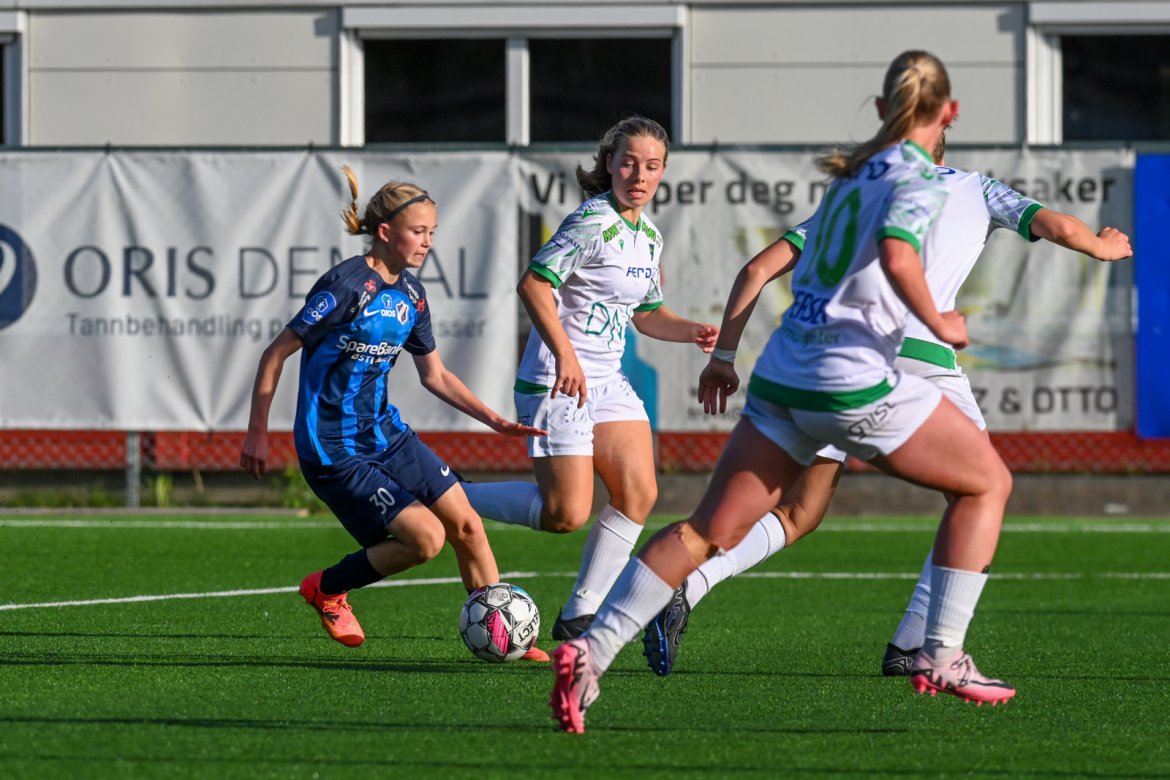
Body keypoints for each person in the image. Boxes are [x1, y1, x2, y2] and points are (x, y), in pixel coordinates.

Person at [551, 49, 1020, 734]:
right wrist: (941, 320)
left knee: (707, 530)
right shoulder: (925, 179)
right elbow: (898, 256)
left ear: (883, 108)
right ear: (948, 113)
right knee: (987, 484)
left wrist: (727, 355)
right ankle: (939, 652)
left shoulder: (851, 175)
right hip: (850, 374)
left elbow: (789, 265)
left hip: (786, 366)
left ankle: (590, 653)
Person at [640, 132, 1134, 678]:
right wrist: (1101, 245)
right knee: (979, 490)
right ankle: (920, 644)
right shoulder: (977, 188)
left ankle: (688, 584)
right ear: (941, 146)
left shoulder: (860, 196)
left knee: (799, 513)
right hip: (921, 359)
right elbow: (1058, 226)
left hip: (836, 360)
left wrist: (724, 358)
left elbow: (756, 270)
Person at [239, 166, 546, 658]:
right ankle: (327, 589)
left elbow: (435, 375)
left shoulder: (412, 295)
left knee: (467, 525)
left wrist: (493, 420)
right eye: (418, 231)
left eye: (432, 233)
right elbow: (275, 353)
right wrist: (257, 432)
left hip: (386, 434)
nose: (427, 243)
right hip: (333, 448)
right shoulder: (345, 286)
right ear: (385, 232)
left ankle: (502, 630)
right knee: (426, 539)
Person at [459, 115, 719, 641]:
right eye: (628, 163)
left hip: (606, 381)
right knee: (565, 514)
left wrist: (691, 330)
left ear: (663, 171)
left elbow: (646, 314)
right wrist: (566, 356)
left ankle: (580, 612)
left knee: (639, 493)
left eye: (651, 166)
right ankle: (449, 494)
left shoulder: (648, 236)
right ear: (609, 164)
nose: (639, 175)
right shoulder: (591, 221)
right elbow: (533, 285)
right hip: (559, 379)